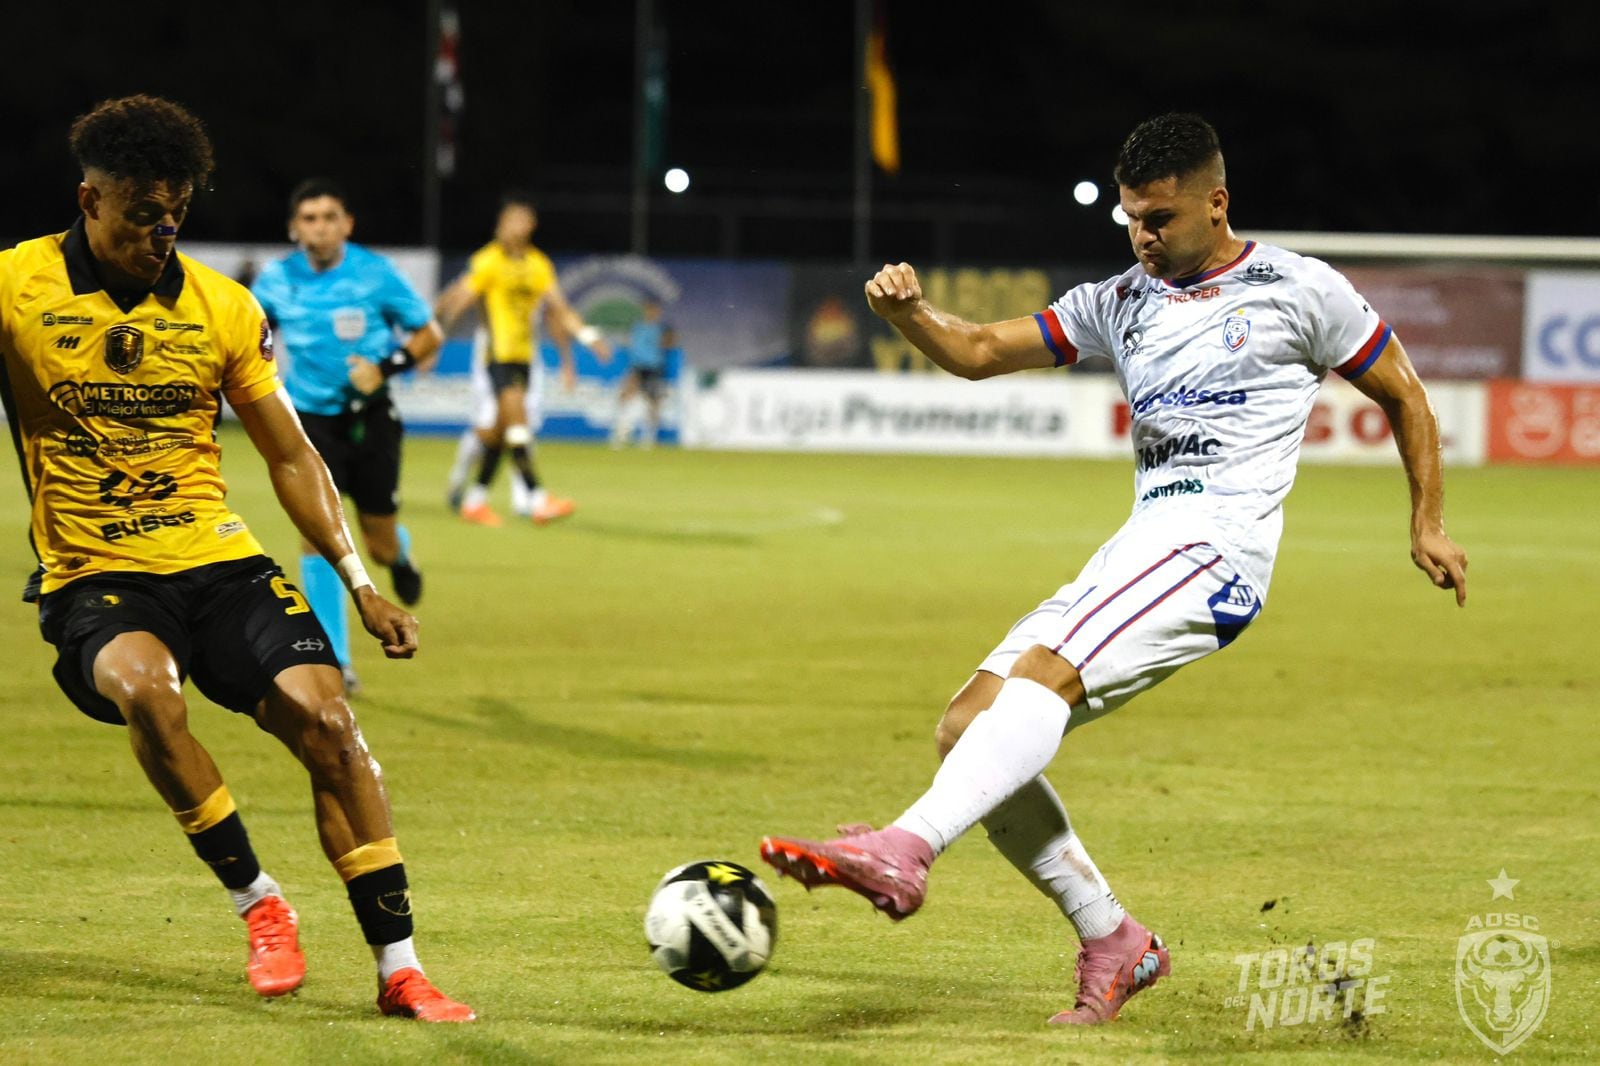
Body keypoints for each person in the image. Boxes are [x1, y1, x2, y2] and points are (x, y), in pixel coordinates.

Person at [760, 113, 1468, 1026]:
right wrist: (909, 317)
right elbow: (978, 354)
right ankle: (1114, 939)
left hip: (1215, 552)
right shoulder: (1120, 300)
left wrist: (1429, 523)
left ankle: (906, 847)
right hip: (1139, 546)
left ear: (1217, 204)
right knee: (968, 726)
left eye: (1161, 217)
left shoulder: (1300, 289)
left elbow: (1402, 390)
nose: (1142, 235)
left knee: (1041, 682)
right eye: (1131, 217)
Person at [0, 95, 473, 1022]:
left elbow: (291, 454)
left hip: (218, 565)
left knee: (330, 726)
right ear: (89, 198)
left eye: (175, 213)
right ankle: (260, 902)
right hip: (96, 574)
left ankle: (400, 968)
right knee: (147, 689)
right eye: (142, 212)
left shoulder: (222, 307)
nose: (161, 232)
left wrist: (360, 585)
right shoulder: (18, 286)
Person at [251, 180, 443, 697]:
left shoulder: (375, 274)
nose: (319, 226)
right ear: (295, 228)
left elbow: (429, 336)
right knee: (315, 533)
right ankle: (336, 658)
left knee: (376, 541)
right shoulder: (276, 279)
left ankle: (398, 554)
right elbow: (249, 335)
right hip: (309, 421)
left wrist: (385, 368)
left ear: (347, 224)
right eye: (309, 218)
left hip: (372, 418)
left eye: (329, 216)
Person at [436, 194, 610, 527]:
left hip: (525, 358)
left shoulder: (538, 265)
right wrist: (434, 340)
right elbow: (461, 298)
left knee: (500, 432)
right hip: (496, 355)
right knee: (518, 424)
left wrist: (588, 337)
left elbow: (560, 309)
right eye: (507, 221)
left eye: (519, 220)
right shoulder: (489, 261)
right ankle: (536, 497)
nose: (511, 227)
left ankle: (475, 499)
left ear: (530, 226)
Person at [609, 296, 675, 449]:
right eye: (648, 309)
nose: (650, 312)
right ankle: (621, 433)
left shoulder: (662, 328)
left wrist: (663, 342)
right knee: (625, 396)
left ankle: (648, 438)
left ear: (657, 312)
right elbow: (628, 341)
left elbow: (670, 342)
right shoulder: (637, 326)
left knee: (653, 402)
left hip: (654, 367)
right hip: (637, 366)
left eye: (653, 310)